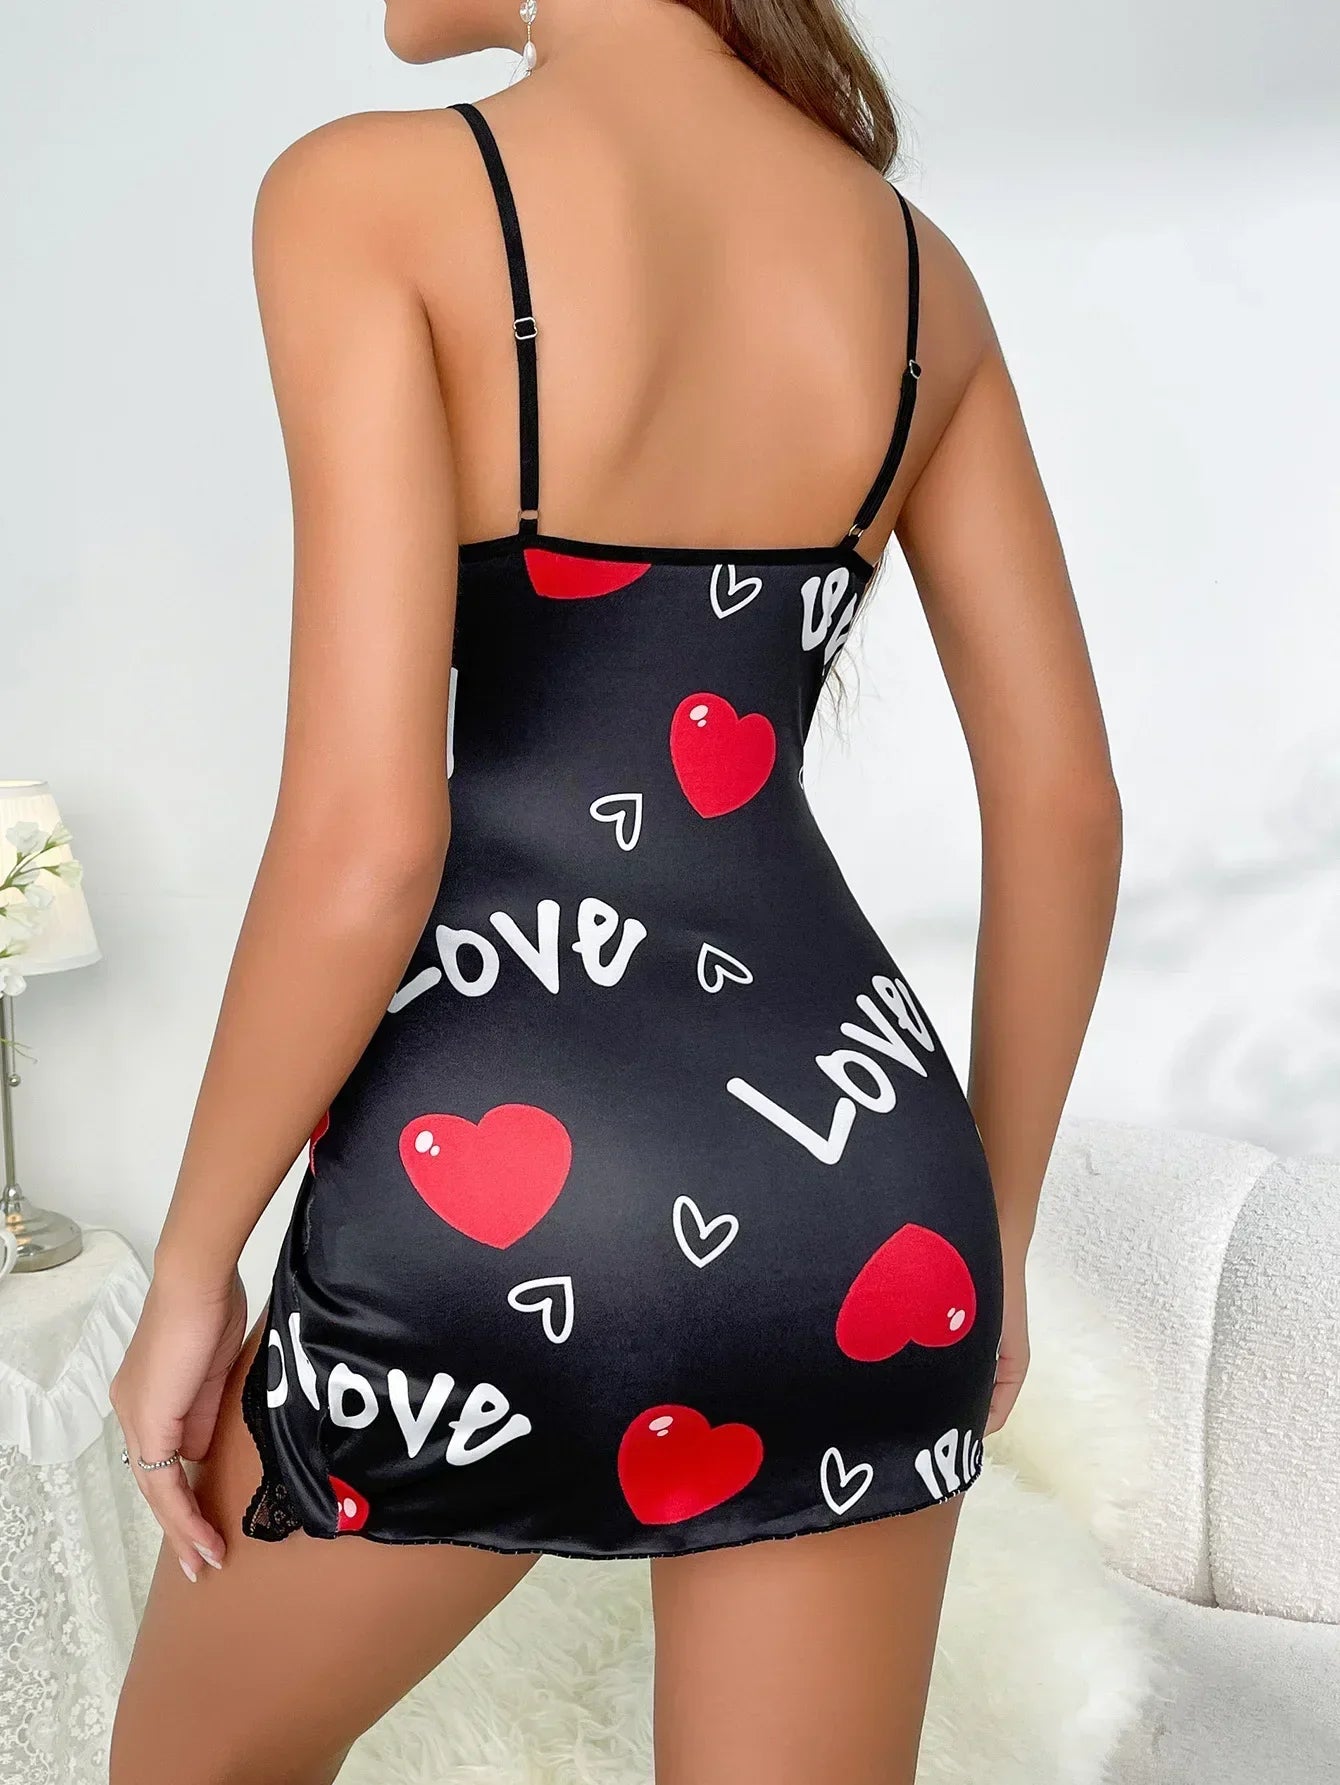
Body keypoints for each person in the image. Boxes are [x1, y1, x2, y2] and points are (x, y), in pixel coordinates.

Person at [108, 0, 1122, 1777]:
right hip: (858, 1200)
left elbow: (369, 839)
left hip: (500, 1192)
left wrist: (194, 1264)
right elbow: (1066, 807)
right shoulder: (918, 277)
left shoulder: (364, 196)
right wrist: (1001, 1235)